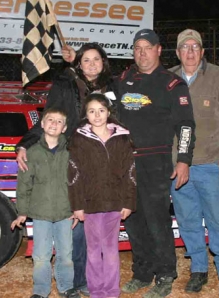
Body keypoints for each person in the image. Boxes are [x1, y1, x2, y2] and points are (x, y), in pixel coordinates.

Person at [62, 30, 196, 298]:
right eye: (137, 47)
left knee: (157, 220)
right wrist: (76, 59)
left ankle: (166, 274)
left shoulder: (173, 84)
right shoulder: (122, 80)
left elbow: (186, 126)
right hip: (122, 162)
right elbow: (94, 84)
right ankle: (143, 271)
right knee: (132, 219)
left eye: (147, 47)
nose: (142, 52)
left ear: (159, 50)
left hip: (156, 163)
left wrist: (183, 160)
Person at [16, 42, 117, 297]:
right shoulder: (66, 83)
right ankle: (76, 281)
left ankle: (92, 278)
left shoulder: (114, 87)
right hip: (75, 158)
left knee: (96, 225)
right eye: (86, 60)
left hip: (104, 163)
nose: (92, 64)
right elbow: (50, 116)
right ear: (79, 64)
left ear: (104, 62)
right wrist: (24, 144)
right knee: (78, 224)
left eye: (96, 59)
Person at [168, 29, 219, 298]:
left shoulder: (218, 76)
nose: (189, 52)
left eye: (195, 47)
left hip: (211, 163)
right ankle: (198, 269)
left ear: (202, 51)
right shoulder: (169, 79)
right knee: (187, 221)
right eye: (184, 47)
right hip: (179, 167)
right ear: (177, 52)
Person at [68, 93, 136, 298]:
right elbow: (73, 174)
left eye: (101, 110)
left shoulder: (122, 138)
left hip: (115, 203)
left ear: (108, 112)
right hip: (90, 204)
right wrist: (77, 205)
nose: (97, 115)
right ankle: (97, 291)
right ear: (85, 115)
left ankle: (111, 291)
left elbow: (130, 173)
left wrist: (128, 202)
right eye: (91, 111)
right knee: (94, 249)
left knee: (110, 248)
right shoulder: (79, 139)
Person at [11, 107, 80, 298]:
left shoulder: (71, 152)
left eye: (59, 121)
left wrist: (76, 208)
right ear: (42, 124)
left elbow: (77, 183)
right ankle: (41, 291)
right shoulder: (31, 153)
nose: (54, 124)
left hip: (65, 213)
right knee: (41, 256)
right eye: (50, 120)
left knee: (66, 254)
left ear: (65, 128)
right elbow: (24, 185)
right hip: (41, 214)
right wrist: (22, 212)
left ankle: (66, 287)